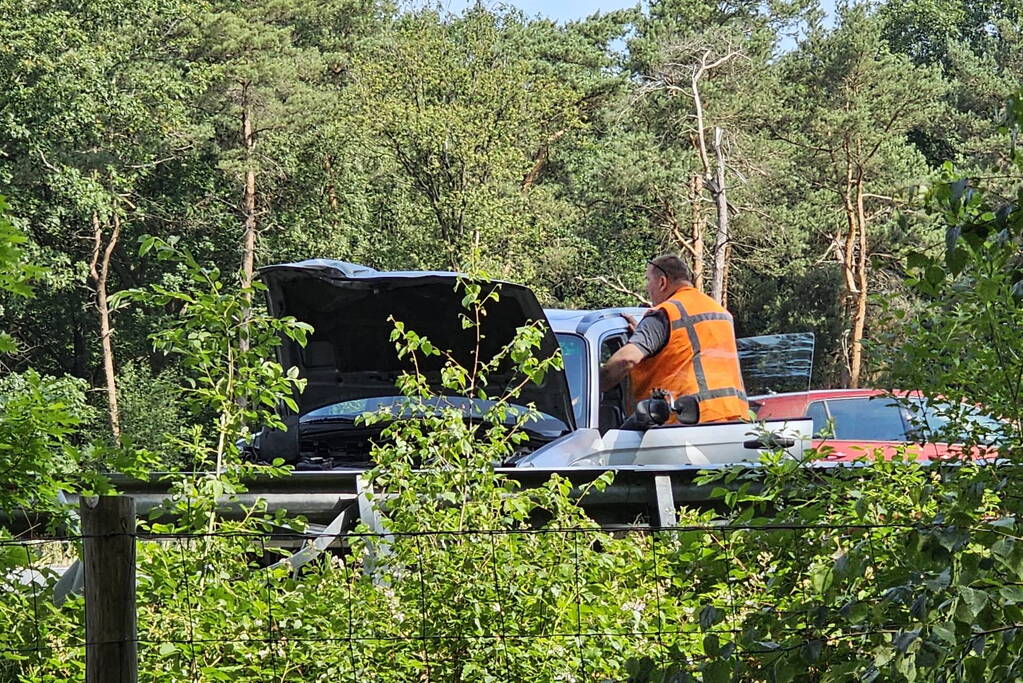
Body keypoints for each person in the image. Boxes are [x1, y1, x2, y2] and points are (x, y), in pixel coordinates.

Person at [599, 255, 748, 424]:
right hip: (731, 420)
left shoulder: (665, 313)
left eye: (649, 280)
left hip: (684, 425)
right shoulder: (718, 311)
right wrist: (646, 337)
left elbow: (626, 360)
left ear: (662, 282)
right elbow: (687, 353)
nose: (647, 287)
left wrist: (585, 393)